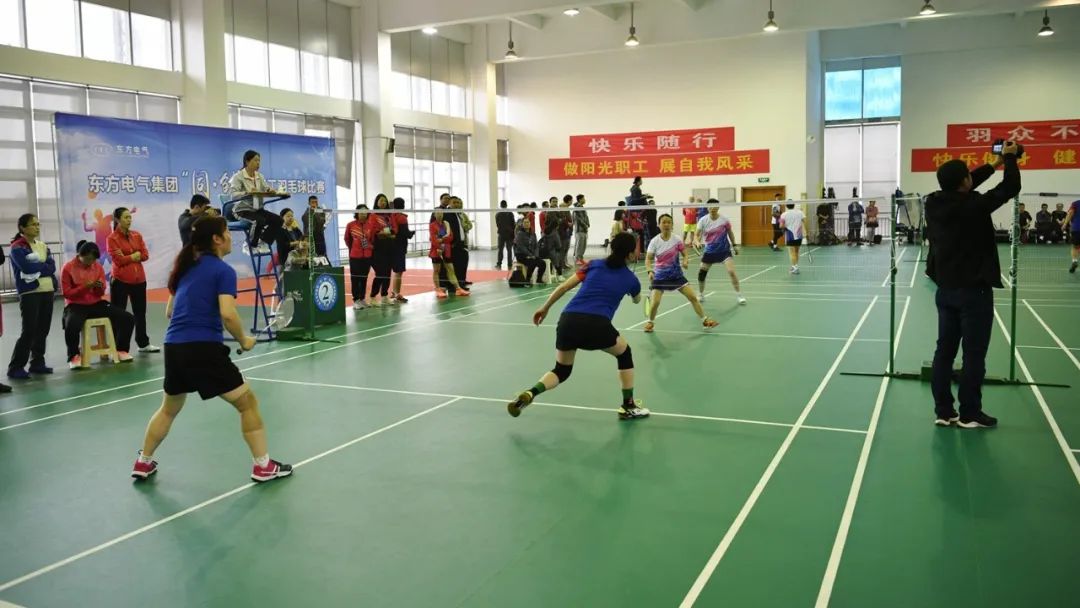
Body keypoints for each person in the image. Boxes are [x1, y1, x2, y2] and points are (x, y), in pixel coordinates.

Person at [131, 215, 292, 483]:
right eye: (227, 232)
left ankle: (143, 461)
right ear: (217, 239)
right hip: (203, 349)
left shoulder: (185, 267)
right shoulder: (223, 271)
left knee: (168, 409)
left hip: (174, 347)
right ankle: (263, 466)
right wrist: (244, 340)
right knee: (248, 404)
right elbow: (228, 314)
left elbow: (170, 311)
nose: (230, 236)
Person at [925, 141, 1021, 429]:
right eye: (968, 176)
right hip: (974, 293)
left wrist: (994, 164)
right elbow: (1010, 187)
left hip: (945, 291)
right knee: (974, 355)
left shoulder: (934, 202)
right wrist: (1010, 159)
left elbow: (963, 185)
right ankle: (969, 413)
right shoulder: (975, 205)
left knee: (944, 352)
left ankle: (944, 411)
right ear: (964, 182)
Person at [507, 232, 649, 421]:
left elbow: (564, 287)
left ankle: (530, 393)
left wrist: (545, 308)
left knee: (561, 370)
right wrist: (637, 293)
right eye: (635, 249)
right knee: (624, 353)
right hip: (597, 324)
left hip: (568, 320)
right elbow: (637, 300)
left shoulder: (593, 265)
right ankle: (628, 406)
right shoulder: (631, 279)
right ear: (630, 254)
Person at [61, 240, 136, 368]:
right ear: (80, 255)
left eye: (93, 259)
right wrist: (84, 287)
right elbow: (67, 293)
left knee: (127, 318)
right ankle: (74, 356)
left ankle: (121, 350)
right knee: (71, 324)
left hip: (95, 303)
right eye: (88, 259)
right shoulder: (68, 268)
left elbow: (100, 292)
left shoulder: (97, 267)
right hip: (76, 305)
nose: (90, 262)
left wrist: (99, 288)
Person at [643, 214, 718, 333]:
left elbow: (685, 253)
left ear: (672, 225)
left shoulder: (677, 239)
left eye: (669, 222)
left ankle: (705, 321)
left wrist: (685, 260)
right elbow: (648, 259)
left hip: (676, 276)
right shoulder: (654, 241)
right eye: (664, 222)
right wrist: (649, 271)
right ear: (659, 225)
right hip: (660, 277)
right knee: (655, 302)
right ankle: (650, 322)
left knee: (693, 297)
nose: (666, 224)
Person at [7, 214, 57, 380]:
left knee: (43, 329)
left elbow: (52, 267)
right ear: (22, 228)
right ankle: (16, 367)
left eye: (38, 224)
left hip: (47, 290)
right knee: (29, 330)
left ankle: (37, 362)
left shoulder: (43, 246)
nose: (37, 227)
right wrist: (42, 267)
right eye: (33, 224)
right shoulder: (17, 247)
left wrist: (38, 267)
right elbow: (26, 268)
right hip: (30, 293)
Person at [107, 207, 159, 354]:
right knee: (119, 313)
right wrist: (133, 256)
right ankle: (117, 347)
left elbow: (145, 254)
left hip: (139, 280)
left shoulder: (137, 235)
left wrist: (129, 256)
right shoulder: (112, 238)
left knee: (140, 313)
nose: (129, 220)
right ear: (117, 220)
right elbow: (118, 260)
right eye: (126, 217)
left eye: (130, 217)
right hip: (120, 281)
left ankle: (143, 343)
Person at [228, 149, 291, 258]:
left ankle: (263, 241)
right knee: (258, 220)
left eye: (259, 161)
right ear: (247, 161)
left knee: (278, 220)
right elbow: (233, 195)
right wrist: (247, 193)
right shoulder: (238, 177)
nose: (258, 163)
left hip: (257, 209)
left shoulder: (259, 176)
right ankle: (249, 244)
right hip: (242, 210)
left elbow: (265, 188)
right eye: (256, 160)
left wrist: (270, 190)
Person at [696, 200, 745, 305]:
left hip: (724, 251)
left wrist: (734, 245)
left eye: (715, 206)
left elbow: (730, 233)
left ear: (718, 207)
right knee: (701, 274)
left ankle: (739, 295)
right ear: (707, 208)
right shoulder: (703, 220)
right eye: (710, 206)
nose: (712, 208)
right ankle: (700, 294)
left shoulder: (724, 220)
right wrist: (697, 241)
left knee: (731, 272)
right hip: (709, 252)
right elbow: (697, 235)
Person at [429, 209, 469, 298]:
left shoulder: (446, 224)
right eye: (437, 213)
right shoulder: (432, 225)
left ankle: (458, 289)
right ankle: (438, 289)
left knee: (451, 269)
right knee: (437, 270)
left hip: (447, 250)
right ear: (434, 215)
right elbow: (433, 239)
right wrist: (440, 246)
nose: (440, 215)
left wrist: (442, 239)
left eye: (441, 213)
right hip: (436, 251)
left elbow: (451, 237)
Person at [344, 204, 375, 309]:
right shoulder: (350, 225)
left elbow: (372, 240)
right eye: (361, 212)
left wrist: (369, 246)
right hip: (355, 257)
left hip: (367, 257)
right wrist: (353, 248)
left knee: (364, 278)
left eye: (365, 212)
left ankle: (362, 299)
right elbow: (347, 239)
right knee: (355, 278)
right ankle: (356, 300)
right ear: (357, 213)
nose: (363, 214)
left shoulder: (370, 225)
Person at [369, 194, 395, 305]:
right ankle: (373, 296)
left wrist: (390, 233)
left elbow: (394, 229)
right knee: (380, 273)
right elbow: (373, 230)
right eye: (381, 201)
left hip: (389, 247)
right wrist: (381, 233)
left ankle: (384, 296)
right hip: (378, 248)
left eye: (385, 201)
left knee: (388, 273)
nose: (383, 203)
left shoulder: (390, 216)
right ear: (377, 202)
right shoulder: (373, 216)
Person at [388, 197, 412, 304]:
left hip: (391, 246)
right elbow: (404, 233)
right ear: (403, 205)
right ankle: (397, 294)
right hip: (399, 247)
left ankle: (394, 292)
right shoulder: (402, 217)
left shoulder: (390, 216)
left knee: (396, 271)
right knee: (399, 272)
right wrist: (411, 234)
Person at [513, 217, 544, 285]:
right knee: (532, 263)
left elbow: (536, 246)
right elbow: (521, 247)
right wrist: (530, 255)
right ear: (522, 224)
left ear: (530, 223)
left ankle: (539, 279)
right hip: (521, 254)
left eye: (528, 222)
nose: (527, 224)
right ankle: (527, 280)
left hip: (532, 254)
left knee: (542, 263)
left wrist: (535, 255)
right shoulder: (519, 234)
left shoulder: (533, 233)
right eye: (525, 222)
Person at [779, 203, 806, 274]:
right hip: (799, 235)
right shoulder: (800, 212)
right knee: (796, 252)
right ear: (794, 205)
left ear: (786, 206)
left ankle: (795, 268)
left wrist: (785, 227)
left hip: (790, 235)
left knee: (792, 253)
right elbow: (804, 221)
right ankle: (795, 266)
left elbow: (781, 226)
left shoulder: (784, 214)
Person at [495, 200, 516, 270]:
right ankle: (509, 265)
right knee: (509, 250)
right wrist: (512, 231)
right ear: (506, 205)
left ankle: (499, 264)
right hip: (509, 234)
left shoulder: (498, 214)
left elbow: (497, 224)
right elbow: (513, 224)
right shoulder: (510, 213)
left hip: (501, 234)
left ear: (500, 205)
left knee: (500, 250)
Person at [1062, 199, 1080, 273]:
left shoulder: (1076, 203)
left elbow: (1070, 213)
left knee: (1075, 246)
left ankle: (1074, 261)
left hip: (1077, 228)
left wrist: (1065, 224)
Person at [573, 194, 590, 264]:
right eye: (583, 198)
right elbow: (578, 219)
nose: (585, 200)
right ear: (580, 199)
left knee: (583, 245)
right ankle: (577, 259)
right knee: (580, 245)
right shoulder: (577, 208)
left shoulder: (582, 207)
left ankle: (580, 258)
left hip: (584, 229)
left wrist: (588, 224)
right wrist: (585, 225)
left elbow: (585, 217)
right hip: (580, 229)